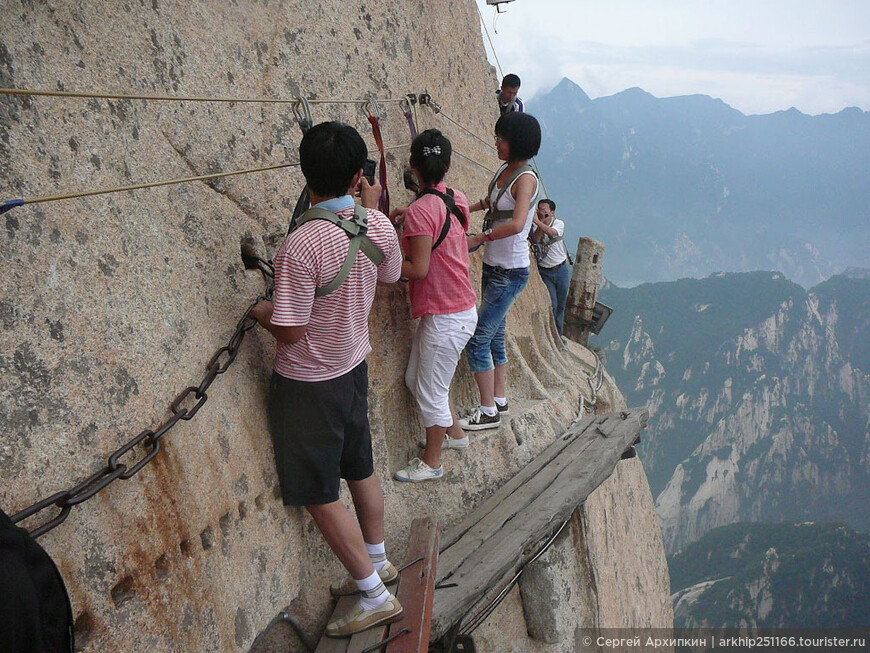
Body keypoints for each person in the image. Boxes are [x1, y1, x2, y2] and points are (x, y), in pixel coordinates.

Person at [250, 121, 404, 638]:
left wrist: (258, 310)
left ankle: (373, 593)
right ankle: (378, 560)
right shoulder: (376, 225)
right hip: (353, 364)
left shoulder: (301, 244)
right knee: (360, 465)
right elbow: (391, 275)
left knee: (317, 491)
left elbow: (290, 331)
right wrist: (373, 208)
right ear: (360, 175)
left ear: (304, 173)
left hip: (310, 381)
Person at [390, 130, 478, 483]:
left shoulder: (420, 211)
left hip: (446, 317)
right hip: (457, 310)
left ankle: (432, 462)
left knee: (431, 391)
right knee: (417, 380)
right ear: (447, 164)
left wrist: (384, 265)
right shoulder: (458, 198)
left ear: (413, 165)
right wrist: (412, 220)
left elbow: (419, 269)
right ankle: (455, 435)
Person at [462, 112, 541, 431]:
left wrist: (481, 238)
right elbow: (491, 203)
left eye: (501, 138)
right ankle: (500, 399)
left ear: (517, 142)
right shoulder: (505, 171)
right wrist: (463, 207)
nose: (496, 142)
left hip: (510, 271)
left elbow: (519, 223)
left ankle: (487, 411)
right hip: (496, 267)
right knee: (495, 334)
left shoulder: (526, 178)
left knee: (478, 338)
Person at [531, 198, 572, 336]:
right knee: (553, 304)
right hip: (545, 271)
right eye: (539, 208)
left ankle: (558, 335)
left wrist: (537, 222)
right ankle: (552, 334)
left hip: (560, 269)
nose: (541, 211)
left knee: (561, 305)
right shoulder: (536, 226)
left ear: (552, 212)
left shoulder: (559, 223)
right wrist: (539, 223)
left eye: (544, 209)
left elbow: (552, 233)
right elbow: (535, 240)